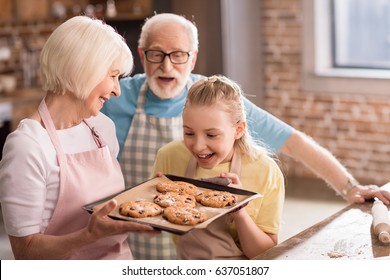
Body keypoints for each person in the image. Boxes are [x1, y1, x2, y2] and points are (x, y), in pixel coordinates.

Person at [101, 13, 390, 259]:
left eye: (178, 55)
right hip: (139, 243)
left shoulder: (213, 100)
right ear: (141, 55)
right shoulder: (113, 95)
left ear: (193, 58)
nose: (166, 66)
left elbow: (293, 142)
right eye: (156, 54)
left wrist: (350, 187)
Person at [0, 15, 155, 260]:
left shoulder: (102, 128)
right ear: (84, 70)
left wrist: (154, 196)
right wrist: (89, 235)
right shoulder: (27, 145)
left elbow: (110, 209)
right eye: (113, 75)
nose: (117, 89)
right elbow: (25, 252)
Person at [152, 75, 285, 259]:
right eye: (189, 133)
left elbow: (265, 255)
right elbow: (154, 223)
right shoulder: (169, 156)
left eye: (212, 135)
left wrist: (240, 212)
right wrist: (156, 200)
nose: (198, 146)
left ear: (238, 130)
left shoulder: (266, 171)